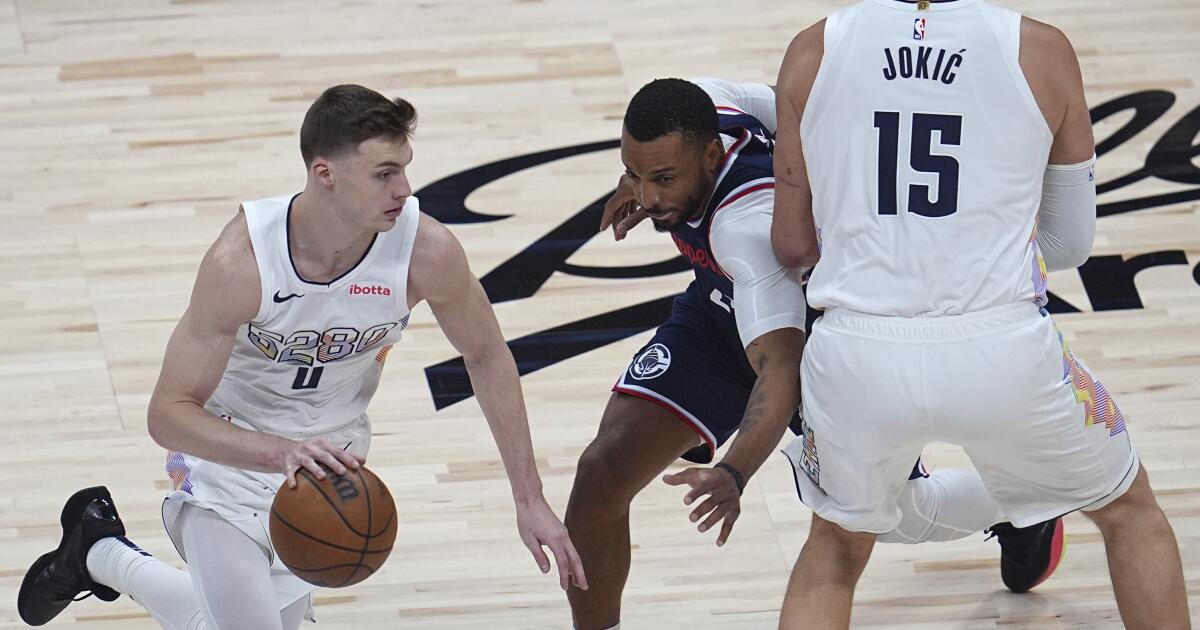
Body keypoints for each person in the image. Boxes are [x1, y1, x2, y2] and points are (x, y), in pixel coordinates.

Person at [18, 84, 586, 629]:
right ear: (325, 173)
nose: (405, 189)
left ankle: (98, 552)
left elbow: (486, 356)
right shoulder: (242, 263)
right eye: (385, 173)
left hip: (330, 466)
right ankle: (104, 555)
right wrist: (278, 452)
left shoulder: (426, 251)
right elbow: (167, 414)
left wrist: (529, 497)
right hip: (230, 457)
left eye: (405, 168)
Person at [565, 76, 1058, 630]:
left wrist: (735, 471)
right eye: (636, 173)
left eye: (664, 179)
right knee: (602, 471)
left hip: (818, 345)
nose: (650, 198)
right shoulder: (712, 104)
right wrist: (638, 182)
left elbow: (781, 368)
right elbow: (794, 105)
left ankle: (1020, 504)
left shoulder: (745, 231)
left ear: (711, 155)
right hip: (720, 314)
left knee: (898, 516)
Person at [770, 2, 1191, 628]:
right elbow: (1069, 243)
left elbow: (792, 245)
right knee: (1129, 512)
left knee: (833, 548)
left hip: (856, 355)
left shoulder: (812, 50)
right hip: (1002, 349)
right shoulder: (1042, 49)